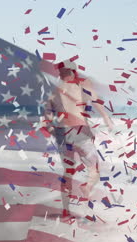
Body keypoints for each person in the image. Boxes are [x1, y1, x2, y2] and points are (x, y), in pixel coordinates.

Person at [43, 60, 114, 214]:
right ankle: (87, 187)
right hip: (80, 132)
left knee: (68, 172)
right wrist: (106, 118)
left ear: (60, 73)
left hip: (63, 134)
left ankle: (65, 210)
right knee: (94, 168)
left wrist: (54, 131)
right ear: (74, 72)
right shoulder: (81, 87)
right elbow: (96, 101)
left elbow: (46, 120)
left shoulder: (53, 93)